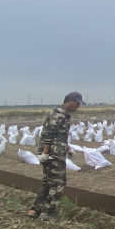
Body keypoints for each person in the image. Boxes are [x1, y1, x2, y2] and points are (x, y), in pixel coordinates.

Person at [28, 92, 83, 221]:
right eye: (77, 104)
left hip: (55, 151)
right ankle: (48, 212)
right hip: (53, 154)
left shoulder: (63, 114)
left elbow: (59, 135)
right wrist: (45, 153)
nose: (78, 107)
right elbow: (48, 134)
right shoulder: (59, 114)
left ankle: (35, 209)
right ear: (71, 101)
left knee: (48, 182)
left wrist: (68, 148)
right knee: (58, 183)